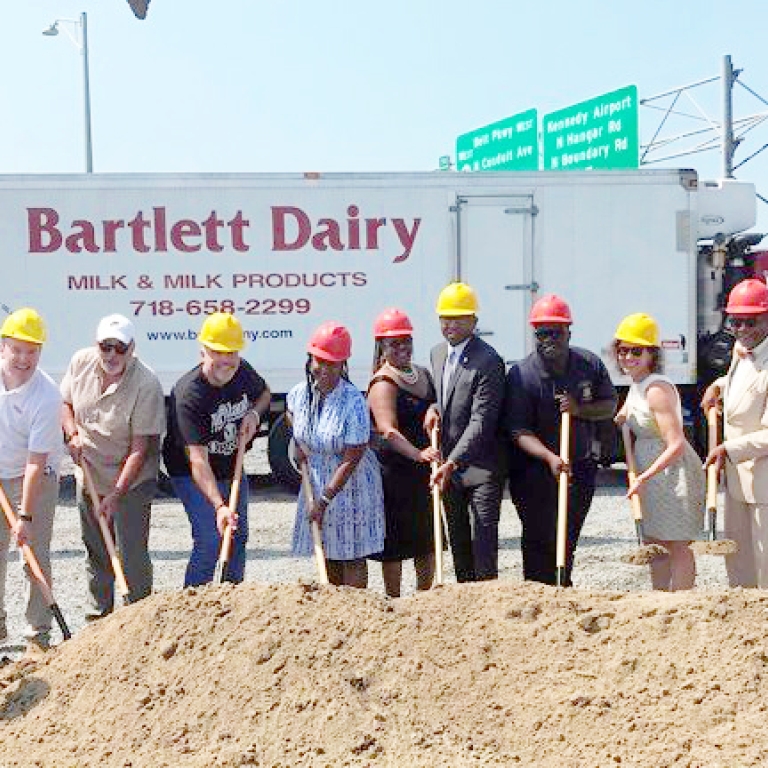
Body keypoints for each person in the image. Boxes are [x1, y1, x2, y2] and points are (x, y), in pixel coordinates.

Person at [505, 294, 616, 587]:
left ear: (569, 332)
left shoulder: (588, 363)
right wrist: (549, 458)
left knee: (567, 539)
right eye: (542, 333)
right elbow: (518, 430)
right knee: (538, 538)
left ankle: (562, 590)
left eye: (555, 332)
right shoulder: (521, 374)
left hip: (579, 469)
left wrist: (580, 409)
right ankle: (536, 593)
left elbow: (609, 404)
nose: (548, 339)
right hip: (533, 473)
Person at [60, 314, 165, 618]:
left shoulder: (146, 383)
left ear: (132, 348)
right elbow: (65, 403)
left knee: (130, 555)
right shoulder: (81, 363)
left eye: (120, 348)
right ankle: (98, 620)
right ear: (97, 346)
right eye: (106, 347)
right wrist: (72, 434)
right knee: (96, 552)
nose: (112, 356)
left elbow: (140, 449)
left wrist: (116, 495)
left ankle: (138, 617)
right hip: (90, 474)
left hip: (130, 482)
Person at [163, 313, 270, 587]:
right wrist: (219, 506)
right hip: (190, 472)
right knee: (211, 537)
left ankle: (231, 603)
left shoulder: (242, 371)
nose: (226, 360)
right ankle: (194, 608)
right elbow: (197, 461)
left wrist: (254, 416)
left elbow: (265, 393)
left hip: (230, 464)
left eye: (231, 352)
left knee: (238, 535)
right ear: (203, 352)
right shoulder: (188, 395)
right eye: (218, 352)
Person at [288, 321, 384, 588]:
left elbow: (353, 456)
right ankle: (333, 610)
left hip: (349, 486)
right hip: (317, 479)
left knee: (350, 554)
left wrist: (325, 499)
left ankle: (355, 610)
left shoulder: (353, 401)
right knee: (327, 550)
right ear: (310, 360)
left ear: (343, 365)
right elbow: (291, 416)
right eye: (320, 362)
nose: (326, 370)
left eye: (334, 364)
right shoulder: (299, 395)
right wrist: (298, 444)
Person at [613, 313, 705, 590]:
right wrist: (624, 417)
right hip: (650, 471)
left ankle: (682, 604)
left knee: (677, 544)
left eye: (636, 351)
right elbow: (633, 417)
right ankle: (660, 599)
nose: (628, 357)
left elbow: (675, 443)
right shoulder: (637, 385)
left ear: (652, 354)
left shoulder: (657, 389)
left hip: (672, 472)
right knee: (655, 542)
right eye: (623, 350)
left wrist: (643, 477)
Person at [426, 282, 505, 583]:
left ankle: (488, 607)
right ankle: (463, 610)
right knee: (458, 543)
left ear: (474, 321)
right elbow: (445, 398)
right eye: (445, 318)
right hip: (450, 470)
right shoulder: (436, 354)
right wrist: (433, 407)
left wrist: (451, 462)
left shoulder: (488, 360)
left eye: (459, 318)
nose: (451, 324)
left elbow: (481, 420)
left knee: (484, 543)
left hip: (482, 467)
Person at [0, 309, 63, 652]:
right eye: (17, 350)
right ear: (3, 348)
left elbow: (36, 462)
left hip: (33, 477)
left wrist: (24, 515)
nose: (24, 359)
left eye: (32, 351)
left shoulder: (46, 395)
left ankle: (37, 635)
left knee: (33, 554)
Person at [367, 308, 440, 597]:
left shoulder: (421, 373)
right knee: (395, 545)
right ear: (381, 347)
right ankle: (394, 601)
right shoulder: (383, 383)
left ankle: (425, 595)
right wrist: (418, 455)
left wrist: (435, 409)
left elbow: (435, 403)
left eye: (406, 341)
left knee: (427, 539)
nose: (402, 348)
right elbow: (388, 430)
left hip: (425, 470)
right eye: (394, 343)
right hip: (395, 474)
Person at [702, 278, 768, 587]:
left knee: (765, 562)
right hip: (739, 479)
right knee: (739, 565)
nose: (741, 329)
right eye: (735, 321)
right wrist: (718, 385)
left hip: (764, 483)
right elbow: (744, 385)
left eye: (749, 321)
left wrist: (728, 449)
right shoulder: (742, 351)